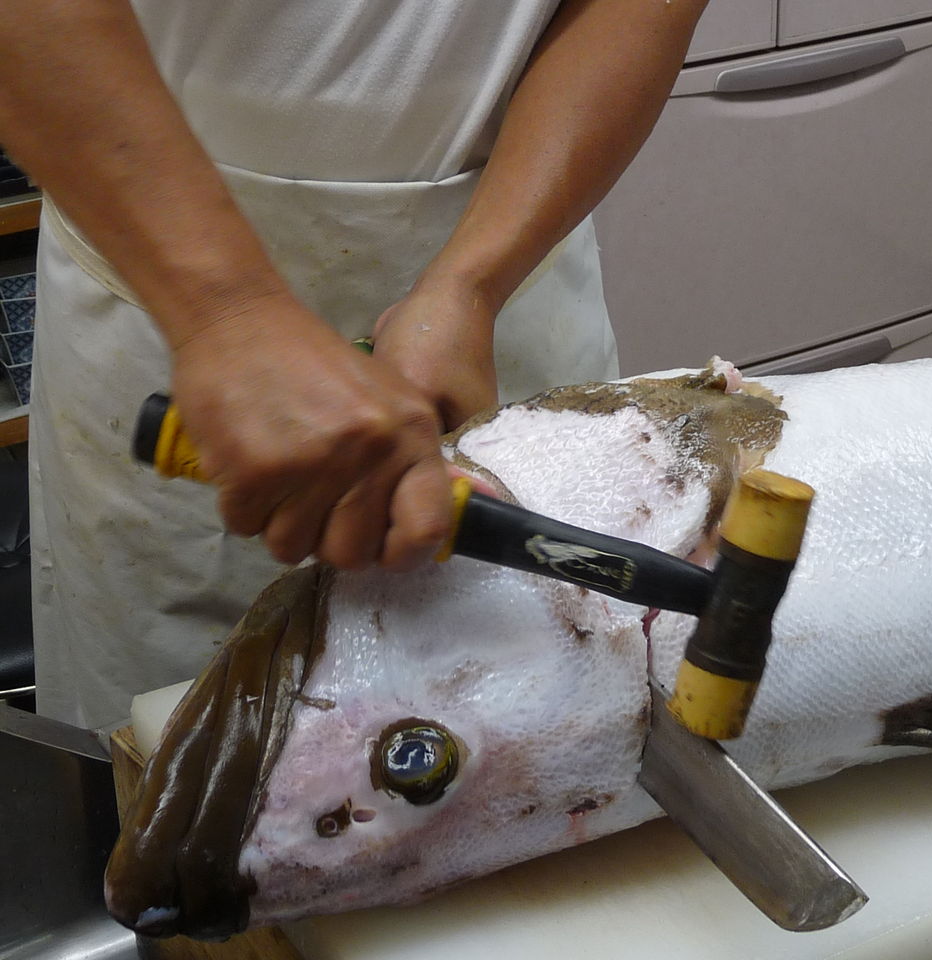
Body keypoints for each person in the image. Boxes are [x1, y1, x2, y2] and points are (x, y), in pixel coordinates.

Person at [0, 0, 708, 729]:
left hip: (506, 276)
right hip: (162, 286)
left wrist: (471, 283)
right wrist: (225, 313)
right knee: (184, 755)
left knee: (537, 743)